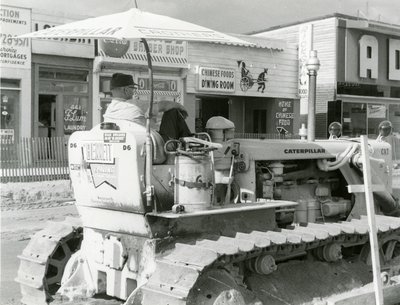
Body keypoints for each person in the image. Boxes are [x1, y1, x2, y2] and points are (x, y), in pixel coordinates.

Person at [103, 73, 191, 142]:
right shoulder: (135, 104)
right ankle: (190, 143)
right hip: (151, 145)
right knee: (173, 112)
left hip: (132, 143)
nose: (134, 92)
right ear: (125, 90)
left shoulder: (108, 111)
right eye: (133, 88)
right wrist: (181, 107)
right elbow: (164, 105)